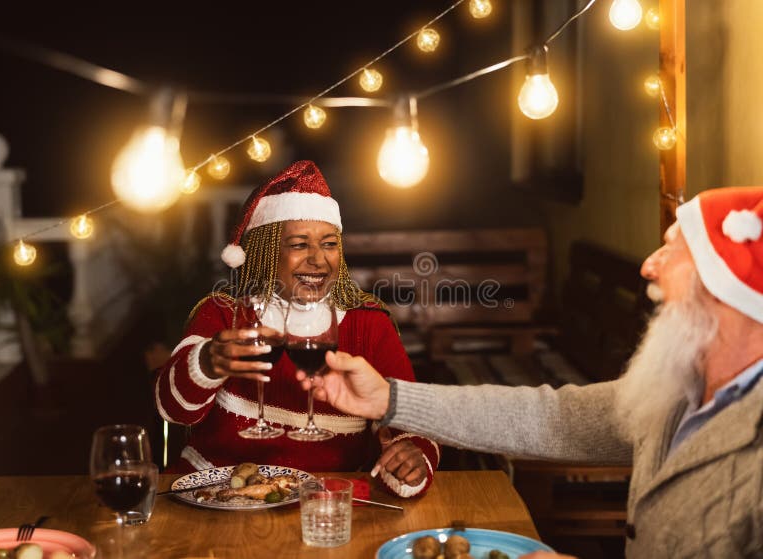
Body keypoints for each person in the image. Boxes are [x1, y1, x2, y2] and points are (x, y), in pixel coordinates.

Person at [298, 186, 763, 557]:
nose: (648, 266)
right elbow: (549, 417)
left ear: (724, 287)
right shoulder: (680, 394)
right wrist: (390, 399)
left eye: (672, 250)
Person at [155, 160, 439, 498]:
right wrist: (205, 364)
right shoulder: (223, 314)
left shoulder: (369, 322)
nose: (318, 259)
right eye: (300, 244)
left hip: (325, 497)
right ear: (267, 252)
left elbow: (412, 422)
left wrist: (412, 458)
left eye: (329, 243)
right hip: (214, 492)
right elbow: (171, 411)